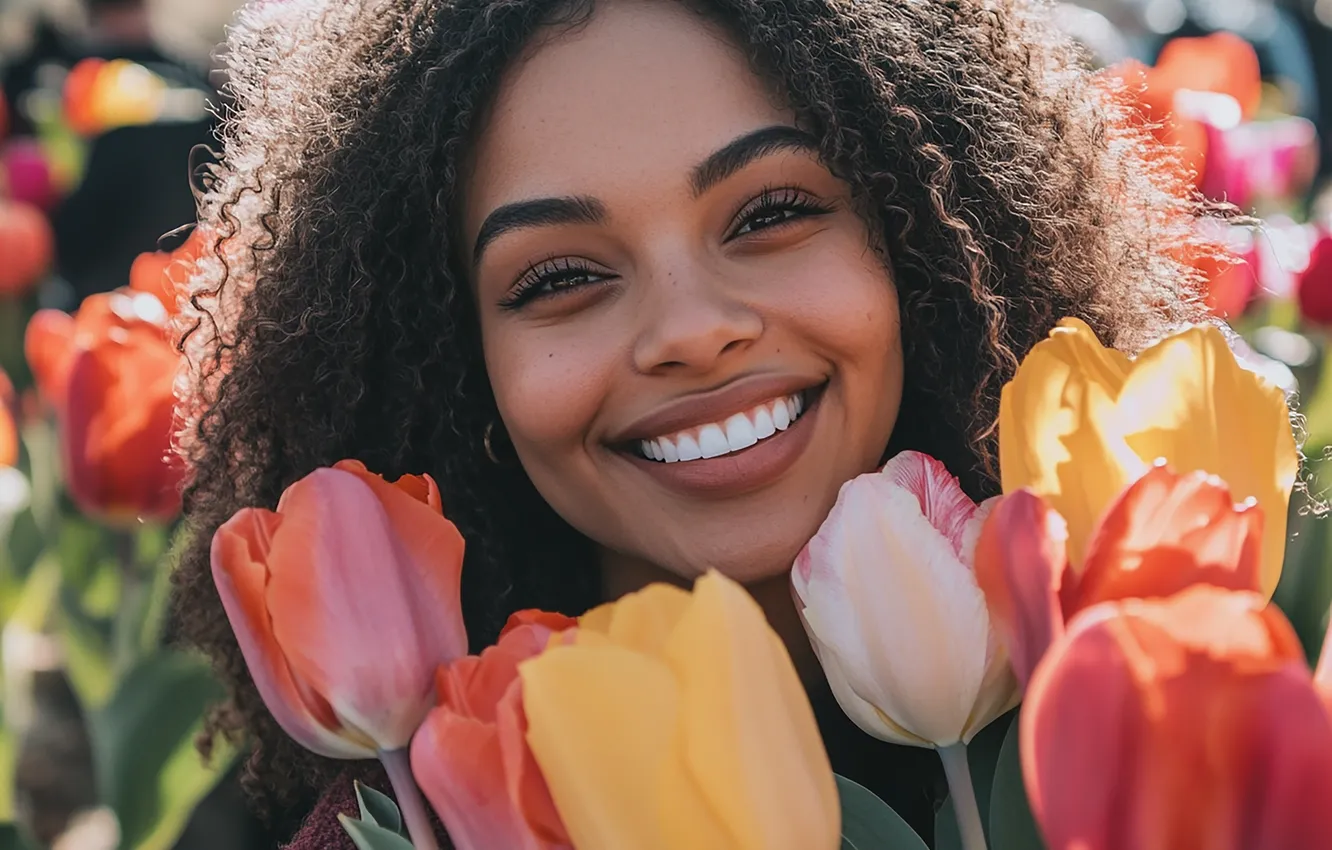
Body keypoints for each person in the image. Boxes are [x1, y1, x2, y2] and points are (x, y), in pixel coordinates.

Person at [167, 0, 1217, 846]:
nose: (691, 330)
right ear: (456, 362)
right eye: (561, 277)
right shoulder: (404, 830)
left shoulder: (1181, 748)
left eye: (772, 213)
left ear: (929, 254)